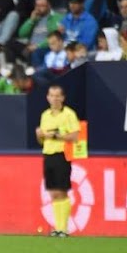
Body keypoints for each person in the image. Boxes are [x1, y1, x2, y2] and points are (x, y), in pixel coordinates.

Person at [35, 85, 80, 238]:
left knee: (62, 190)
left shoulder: (69, 114)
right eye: (51, 95)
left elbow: (75, 136)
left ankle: (64, 228)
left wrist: (54, 135)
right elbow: (41, 140)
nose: (54, 98)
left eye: (57, 96)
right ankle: (57, 227)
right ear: (47, 97)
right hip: (48, 154)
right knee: (53, 192)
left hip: (62, 154)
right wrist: (40, 135)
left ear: (62, 98)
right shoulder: (45, 115)